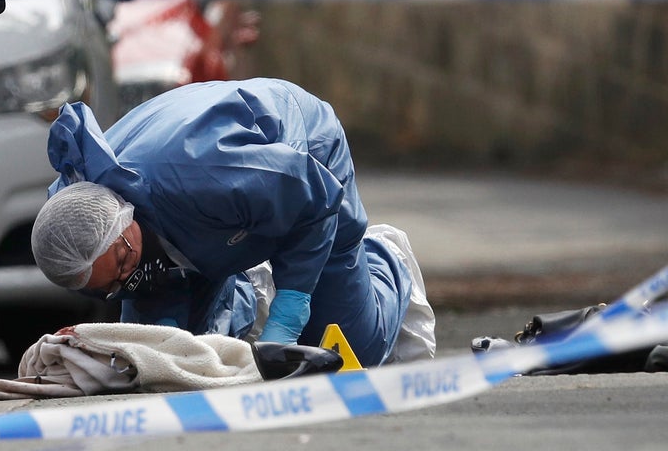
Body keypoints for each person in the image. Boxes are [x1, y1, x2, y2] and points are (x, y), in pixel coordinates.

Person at [31, 78, 435, 367]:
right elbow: (135, 291)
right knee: (169, 360)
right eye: (111, 286)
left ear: (122, 212)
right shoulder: (75, 224)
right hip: (193, 211)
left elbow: (315, 195)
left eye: (124, 262)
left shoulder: (206, 175)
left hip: (304, 161)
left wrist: (287, 315)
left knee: (348, 351)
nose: (130, 281)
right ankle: (243, 279)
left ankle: (384, 259)